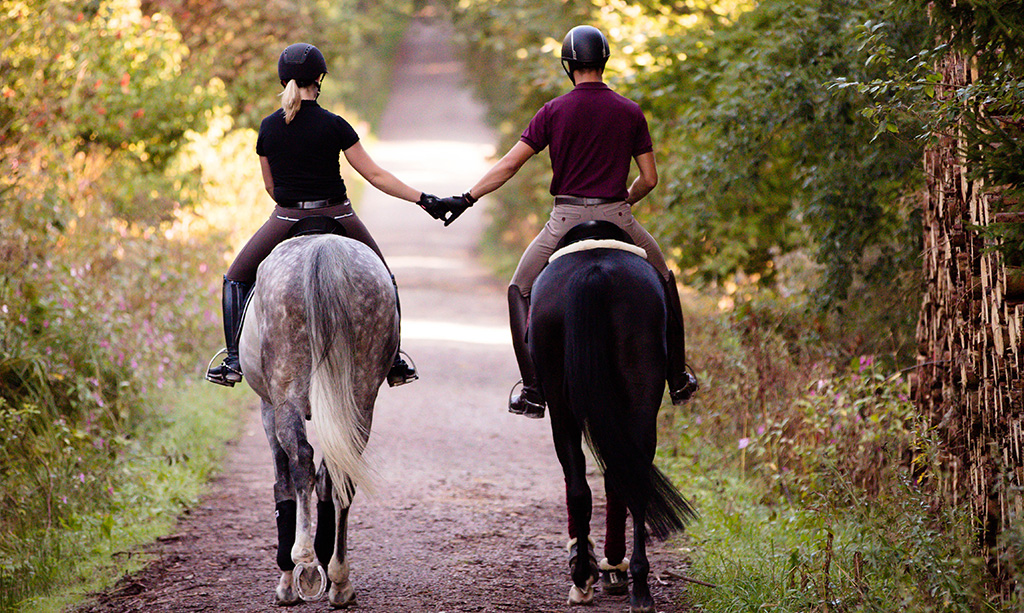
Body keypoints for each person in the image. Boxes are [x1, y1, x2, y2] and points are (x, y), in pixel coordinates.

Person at [439, 25, 697, 418]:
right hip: (618, 214)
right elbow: (649, 179)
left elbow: (509, 165)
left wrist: (467, 198)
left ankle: (532, 390)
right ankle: (678, 377)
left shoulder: (552, 111)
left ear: (568, 65)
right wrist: (621, 202)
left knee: (519, 288)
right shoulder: (629, 111)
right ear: (604, 61)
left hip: (564, 219)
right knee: (663, 278)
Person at [206, 42, 447, 388]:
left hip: (287, 217)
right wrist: (424, 199)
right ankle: (394, 360)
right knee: (385, 277)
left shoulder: (268, 127)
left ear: (283, 79)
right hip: (338, 214)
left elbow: (270, 188)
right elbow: (376, 176)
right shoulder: (335, 124)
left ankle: (231, 361)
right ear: (319, 79)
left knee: (235, 279)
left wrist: (292, 205)